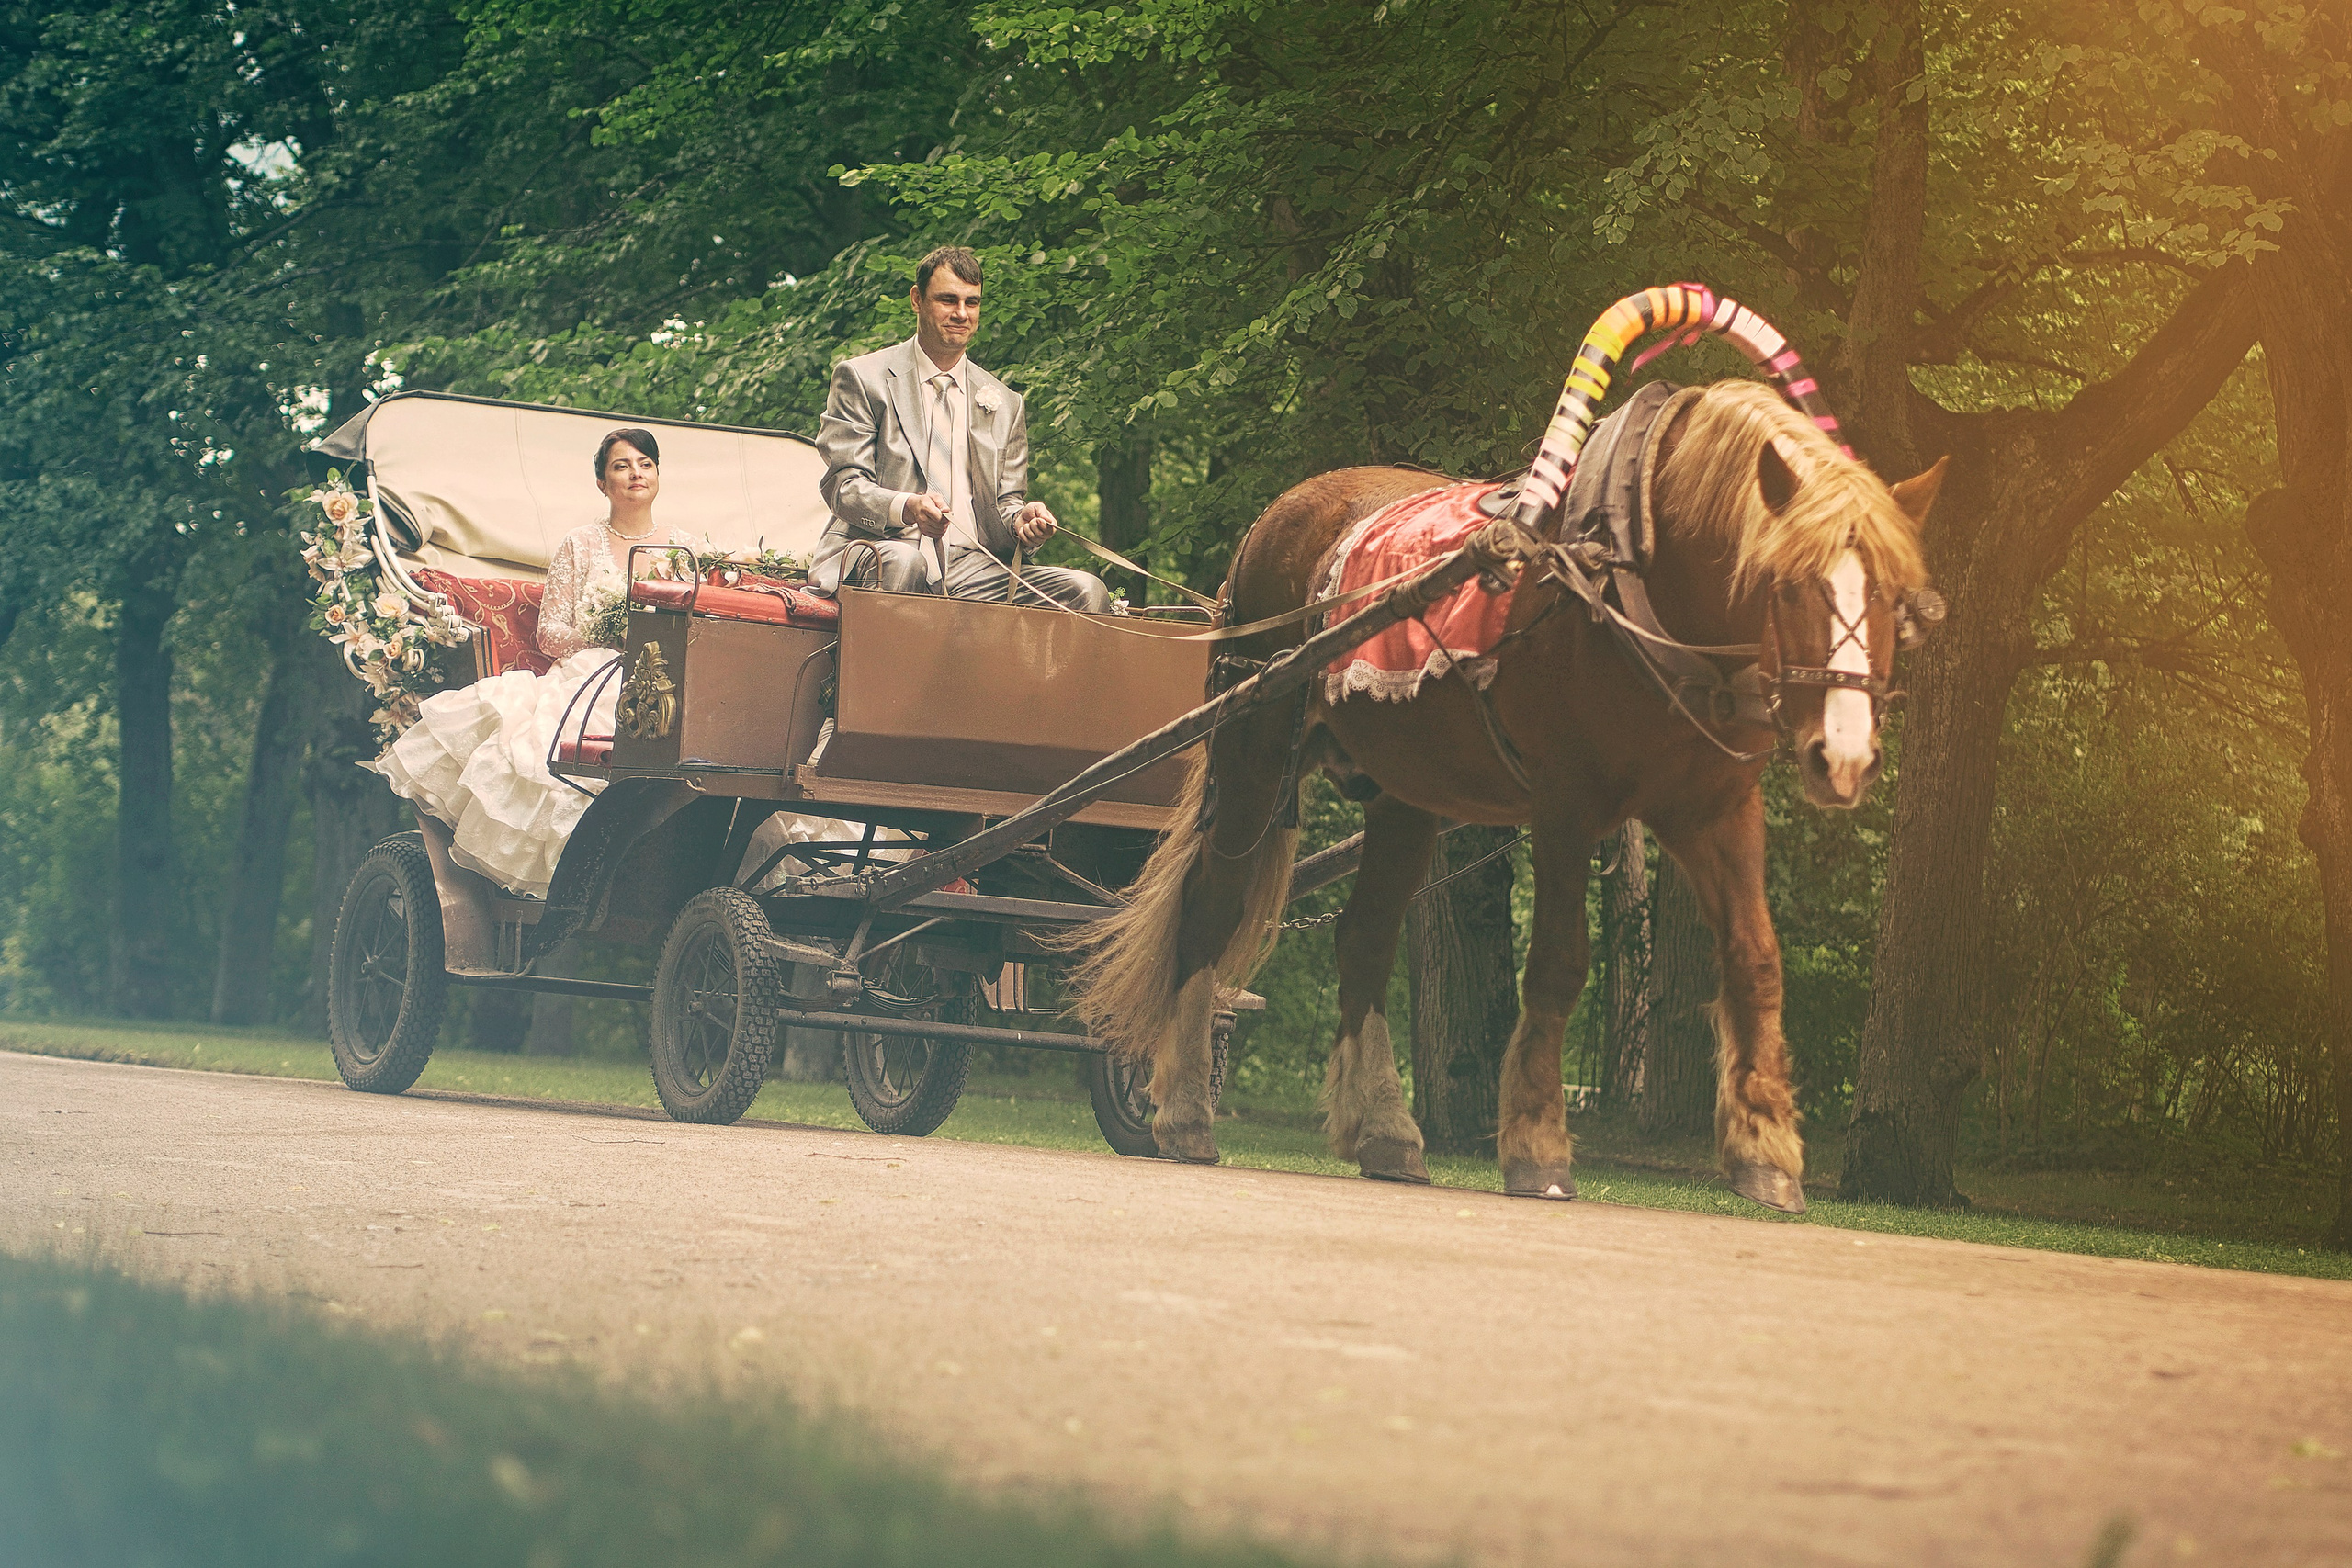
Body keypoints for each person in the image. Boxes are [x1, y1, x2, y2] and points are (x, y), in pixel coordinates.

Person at [374, 429, 701, 898]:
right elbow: (550, 633)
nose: (636, 473)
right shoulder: (581, 543)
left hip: (664, 672)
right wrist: (612, 637)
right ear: (602, 482)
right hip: (595, 669)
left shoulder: (683, 548)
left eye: (646, 463)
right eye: (621, 465)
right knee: (549, 734)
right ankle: (577, 859)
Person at [812, 245, 1112, 613]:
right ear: (917, 300)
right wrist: (907, 507)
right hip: (877, 551)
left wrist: (1022, 522)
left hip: (972, 567)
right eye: (948, 300)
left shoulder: (1005, 402)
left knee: (1085, 589)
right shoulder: (863, 378)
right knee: (906, 563)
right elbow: (843, 486)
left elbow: (1005, 504)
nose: (961, 313)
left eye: (972, 303)